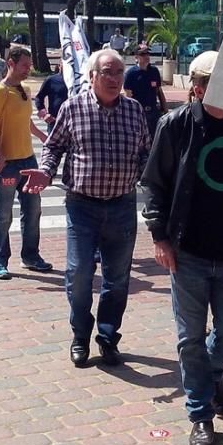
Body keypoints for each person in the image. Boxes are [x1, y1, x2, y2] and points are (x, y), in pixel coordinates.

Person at [141, 50, 223, 445]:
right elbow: (154, 184)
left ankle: (210, 374)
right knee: (190, 338)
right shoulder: (175, 126)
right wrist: (159, 237)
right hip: (186, 249)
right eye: (215, 83)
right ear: (198, 88)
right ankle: (200, 415)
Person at [21, 49, 151, 368]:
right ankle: (80, 334)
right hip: (82, 207)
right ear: (91, 76)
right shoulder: (72, 108)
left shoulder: (134, 111)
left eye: (119, 72)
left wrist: (158, 181)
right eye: (107, 72)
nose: (115, 79)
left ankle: (107, 337)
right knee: (79, 273)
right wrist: (47, 172)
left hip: (121, 206)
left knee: (117, 278)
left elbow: (146, 154)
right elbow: (53, 147)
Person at [0, 47, 52, 280]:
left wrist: (43, 137)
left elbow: (26, 121)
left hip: (28, 160)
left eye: (29, 65)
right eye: (24, 65)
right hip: (7, 164)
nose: (28, 69)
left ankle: (31, 256)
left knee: (33, 210)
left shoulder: (24, 89)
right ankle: (0, 261)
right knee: (3, 214)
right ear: (11, 63)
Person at [124, 43, 167, 138]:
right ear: (136, 57)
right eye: (143, 54)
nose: (146, 56)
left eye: (148, 53)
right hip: (138, 113)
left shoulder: (154, 71)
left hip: (154, 112)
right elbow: (128, 95)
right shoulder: (131, 74)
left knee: (157, 138)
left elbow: (159, 91)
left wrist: (165, 109)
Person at [34, 63, 68, 134]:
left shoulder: (78, 81)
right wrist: (44, 114)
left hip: (73, 122)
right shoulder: (51, 80)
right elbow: (39, 97)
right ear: (60, 65)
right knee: (52, 144)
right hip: (54, 121)